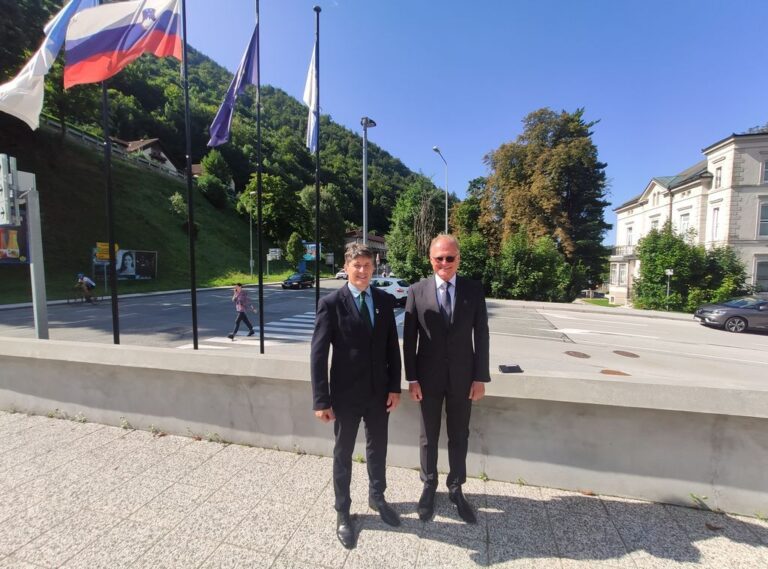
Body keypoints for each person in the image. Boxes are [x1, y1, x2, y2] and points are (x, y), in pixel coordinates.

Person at [310, 243, 402, 549]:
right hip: (345, 396)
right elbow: (318, 354)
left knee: (378, 449)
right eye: (356, 265)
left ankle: (378, 497)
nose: (362, 271)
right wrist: (321, 399)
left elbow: (392, 348)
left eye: (367, 265)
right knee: (343, 453)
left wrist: (394, 387)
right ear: (346, 268)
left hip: (379, 394)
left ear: (374, 267)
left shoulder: (384, 301)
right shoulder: (331, 303)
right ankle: (343, 511)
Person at [403, 234, 490, 524]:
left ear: (458, 259)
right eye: (439, 258)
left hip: (463, 378)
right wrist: (412, 378)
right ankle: (429, 486)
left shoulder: (473, 290)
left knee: (459, 435)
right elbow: (410, 340)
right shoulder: (416, 291)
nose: (444, 263)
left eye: (450, 257)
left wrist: (480, 377)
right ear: (431, 260)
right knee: (428, 436)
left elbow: (482, 335)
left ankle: (456, 488)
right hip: (427, 379)